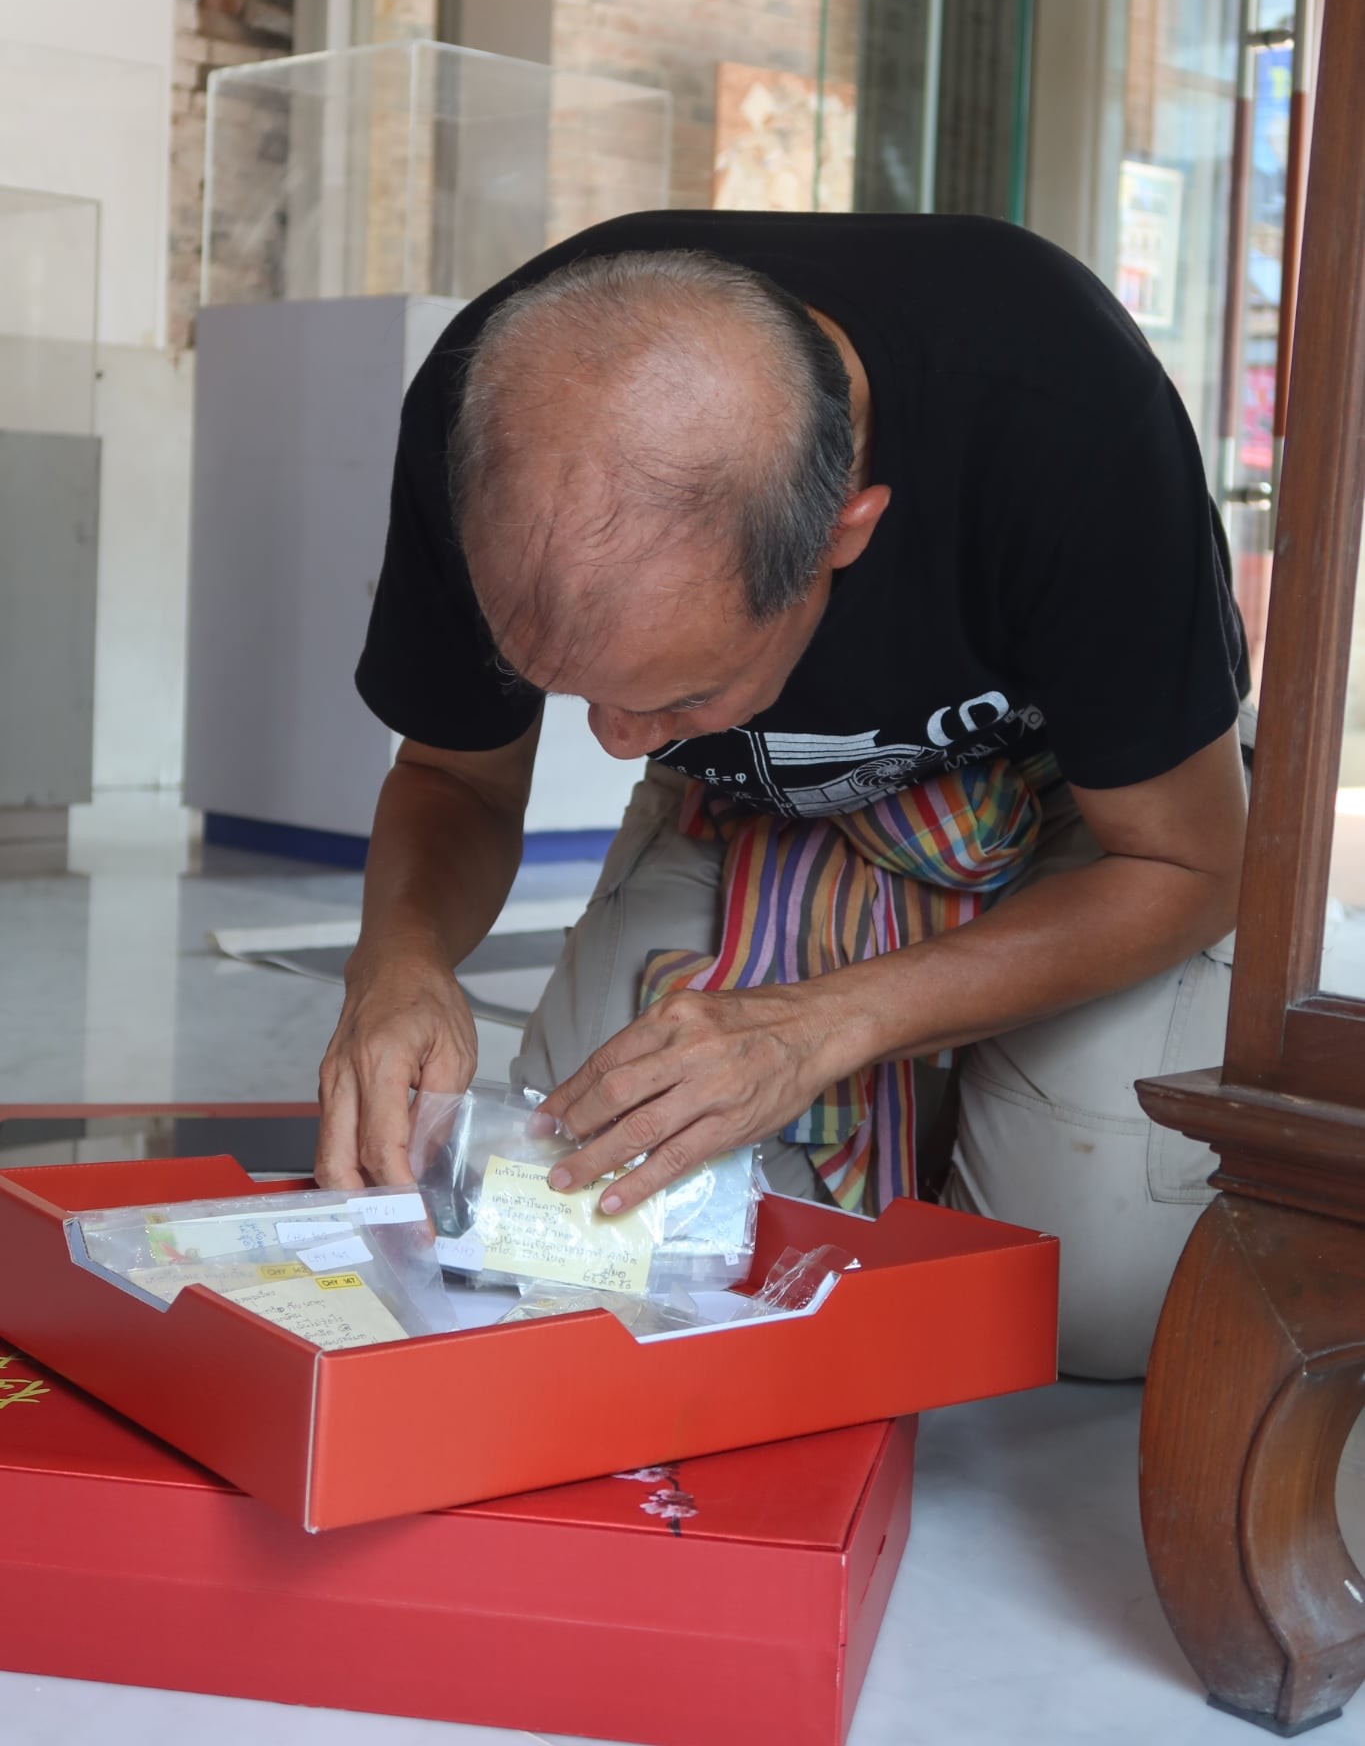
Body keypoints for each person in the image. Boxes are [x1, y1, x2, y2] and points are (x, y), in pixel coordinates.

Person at [316, 209, 1251, 1379]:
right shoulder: (488, 418)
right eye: (573, 690)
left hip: (1086, 803)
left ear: (845, 535)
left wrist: (823, 1024)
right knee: (589, 1238)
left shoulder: (1067, 417)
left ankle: (971, 1102)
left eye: (676, 693)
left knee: (1088, 1298)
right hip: (752, 797)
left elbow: (1190, 861)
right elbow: (455, 772)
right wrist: (399, 957)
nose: (614, 742)